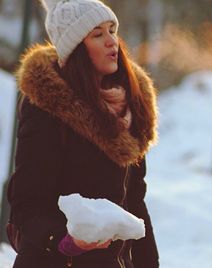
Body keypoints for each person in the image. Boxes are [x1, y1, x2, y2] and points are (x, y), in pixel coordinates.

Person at [7, 0, 159, 267]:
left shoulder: (129, 108)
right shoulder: (48, 110)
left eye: (112, 30)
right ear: (75, 48)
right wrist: (65, 241)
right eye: (97, 35)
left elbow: (135, 203)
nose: (112, 41)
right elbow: (26, 204)